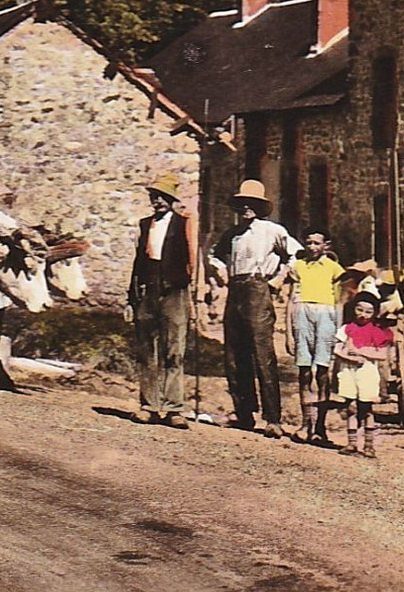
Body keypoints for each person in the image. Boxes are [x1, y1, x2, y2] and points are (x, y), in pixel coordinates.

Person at [205, 179, 300, 438]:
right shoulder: (232, 233)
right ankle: (243, 413)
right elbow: (213, 254)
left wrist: (279, 279)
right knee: (235, 355)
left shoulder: (272, 231)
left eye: (252, 204)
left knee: (262, 354)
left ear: (260, 206)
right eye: (242, 204)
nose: (246, 208)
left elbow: (296, 254)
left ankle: (273, 418)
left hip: (259, 289)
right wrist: (222, 270)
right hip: (236, 290)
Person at [125, 174, 199, 429]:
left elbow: (192, 258)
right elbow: (138, 263)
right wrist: (131, 298)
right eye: (153, 197)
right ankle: (149, 405)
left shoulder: (183, 223)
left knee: (174, 350)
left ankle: (174, 408)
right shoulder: (146, 224)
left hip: (175, 290)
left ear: (170, 199)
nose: (156, 201)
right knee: (147, 350)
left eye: (161, 197)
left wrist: (193, 299)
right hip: (149, 289)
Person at [283, 226, 342, 445]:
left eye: (317, 243)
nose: (312, 247)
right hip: (302, 313)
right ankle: (306, 422)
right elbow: (290, 300)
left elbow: (340, 300)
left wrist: (340, 330)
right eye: (308, 243)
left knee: (323, 372)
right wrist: (288, 333)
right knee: (304, 371)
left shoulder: (334, 268)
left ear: (326, 246)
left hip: (326, 315)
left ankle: (321, 427)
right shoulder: (298, 266)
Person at [334, 292, 394, 458]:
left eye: (368, 312)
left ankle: (369, 445)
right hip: (348, 371)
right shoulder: (346, 329)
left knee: (366, 408)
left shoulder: (376, 331)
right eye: (359, 310)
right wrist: (350, 357)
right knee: (351, 407)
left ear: (374, 313)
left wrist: (361, 353)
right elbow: (337, 350)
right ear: (353, 309)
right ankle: (352, 443)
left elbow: (382, 355)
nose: (363, 315)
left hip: (367, 371)